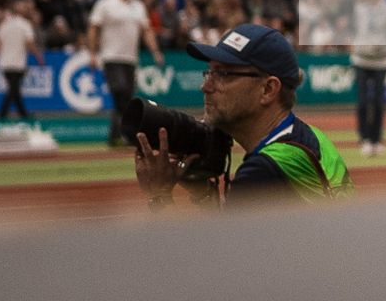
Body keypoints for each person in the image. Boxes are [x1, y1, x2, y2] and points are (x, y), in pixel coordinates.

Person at [133, 23, 352, 207]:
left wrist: (159, 195)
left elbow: (214, 257)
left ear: (267, 90)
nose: (205, 86)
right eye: (209, 72)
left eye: (222, 74)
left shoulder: (263, 172)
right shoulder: (310, 136)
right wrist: (201, 193)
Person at [86, 0, 163, 145]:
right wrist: (92, 53)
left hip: (130, 59)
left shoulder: (138, 6)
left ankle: (116, 136)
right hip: (111, 56)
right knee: (119, 91)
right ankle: (127, 133)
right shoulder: (105, 3)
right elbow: (93, 28)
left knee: (126, 98)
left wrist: (156, 52)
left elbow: (146, 31)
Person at [351, 0, 386, 154]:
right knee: (362, 101)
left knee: (377, 101)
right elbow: (355, 31)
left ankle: (377, 139)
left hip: (381, 60)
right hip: (361, 59)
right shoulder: (359, 9)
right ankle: (365, 138)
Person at [0, 0, 45, 123]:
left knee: (14, 89)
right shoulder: (25, 25)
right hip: (18, 63)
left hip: (5, 63)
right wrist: (39, 57)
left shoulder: (5, 24)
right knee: (13, 90)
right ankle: (2, 116)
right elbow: (30, 43)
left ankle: (23, 114)